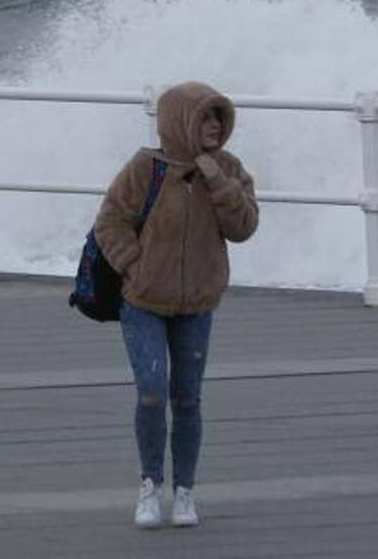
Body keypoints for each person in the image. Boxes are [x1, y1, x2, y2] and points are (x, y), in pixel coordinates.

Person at [93, 81, 260, 529]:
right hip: (143, 299)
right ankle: (150, 486)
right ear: (179, 120)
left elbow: (244, 227)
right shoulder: (145, 168)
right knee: (152, 391)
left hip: (197, 303)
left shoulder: (227, 168)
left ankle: (184, 492)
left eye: (219, 118)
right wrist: (134, 265)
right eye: (205, 117)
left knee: (188, 399)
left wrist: (216, 178)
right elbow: (110, 221)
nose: (213, 126)